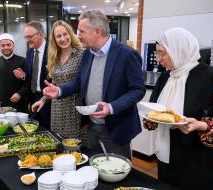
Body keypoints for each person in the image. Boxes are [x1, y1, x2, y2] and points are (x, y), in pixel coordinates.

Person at [142, 28, 213, 190]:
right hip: (168, 158)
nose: (158, 59)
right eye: (157, 53)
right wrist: (150, 119)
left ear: (179, 50)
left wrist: (202, 125)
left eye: (162, 53)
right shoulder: (166, 77)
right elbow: (155, 110)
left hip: (199, 163)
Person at [42, 9, 145, 159]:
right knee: (94, 167)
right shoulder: (88, 54)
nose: (78, 36)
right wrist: (59, 91)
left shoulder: (127, 54)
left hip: (115, 127)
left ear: (96, 31)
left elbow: (138, 90)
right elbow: (79, 81)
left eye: (82, 31)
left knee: (116, 170)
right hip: (91, 125)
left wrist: (111, 107)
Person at [31, 20, 85, 140]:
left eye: (65, 34)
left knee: (74, 147)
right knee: (58, 143)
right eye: (58, 36)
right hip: (56, 110)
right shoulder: (54, 57)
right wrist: (43, 100)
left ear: (70, 34)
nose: (62, 38)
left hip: (74, 110)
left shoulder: (82, 54)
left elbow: (81, 82)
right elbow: (54, 84)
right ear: (54, 39)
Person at [22, 21, 51, 130]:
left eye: (30, 36)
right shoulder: (29, 52)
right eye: (26, 37)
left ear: (41, 34)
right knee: (34, 128)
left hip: (48, 98)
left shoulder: (53, 51)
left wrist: (45, 98)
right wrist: (23, 76)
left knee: (46, 129)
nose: (27, 40)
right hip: (33, 96)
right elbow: (30, 77)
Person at [0, 33, 28, 112]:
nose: (6, 47)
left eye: (8, 45)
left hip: (19, 103)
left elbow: (28, 82)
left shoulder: (23, 61)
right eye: (3, 45)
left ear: (13, 45)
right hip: (1, 104)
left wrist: (20, 94)